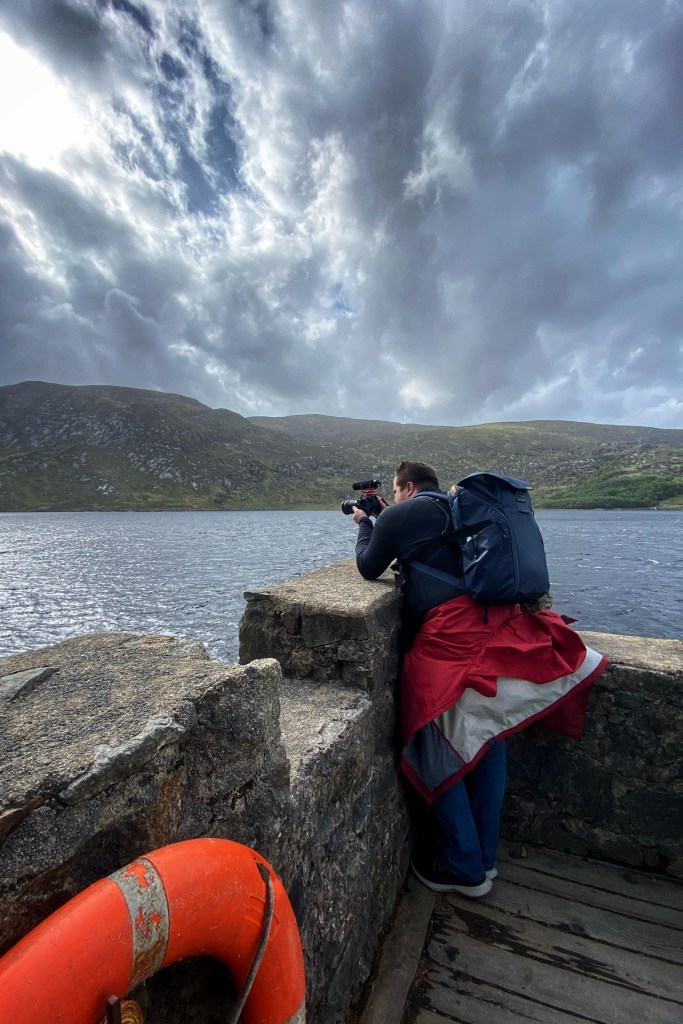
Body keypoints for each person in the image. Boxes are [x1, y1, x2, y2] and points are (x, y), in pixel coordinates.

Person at [350, 460, 608, 898]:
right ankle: (485, 857)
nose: (392, 498)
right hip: (499, 624)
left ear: (407, 487)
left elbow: (367, 566)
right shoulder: (458, 509)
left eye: (394, 491)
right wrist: (383, 516)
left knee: (437, 740)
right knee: (487, 737)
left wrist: (364, 523)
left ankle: (463, 866)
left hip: (453, 640)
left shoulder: (399, 514)